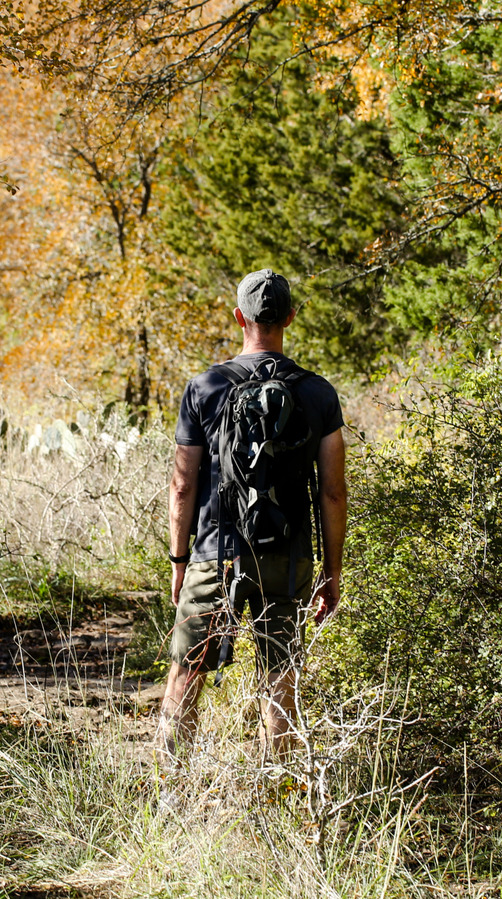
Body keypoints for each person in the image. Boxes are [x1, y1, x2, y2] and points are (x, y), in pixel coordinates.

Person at [157, 269, 347, 763]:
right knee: (279, 679)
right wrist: (331, 572)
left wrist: (179, 562)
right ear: (291, 317)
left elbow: (182, 486)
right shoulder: (319, 393)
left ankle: (170, 787)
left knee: (187, 671)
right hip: (289, 557)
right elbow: (332, 493)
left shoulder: (204, 387)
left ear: (239, 317)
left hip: (215, 554)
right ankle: (273, 790)